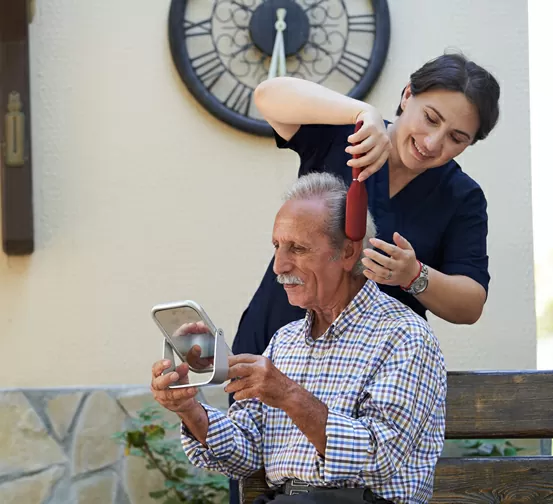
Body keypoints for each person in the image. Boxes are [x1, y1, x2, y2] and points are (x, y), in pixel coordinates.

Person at [151, 173, 447, 504]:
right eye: (277, 246)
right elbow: (246, 453)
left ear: (348, 253)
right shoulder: (286, 340)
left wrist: (289, 395)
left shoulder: (405, 336)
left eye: (298, 248)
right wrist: (191, 410)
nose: (279, 266)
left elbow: (380, 459)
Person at [232, 53, 501, 367]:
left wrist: (414, 275)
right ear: (407, 95)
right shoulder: (346, 135)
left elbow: (470, 304)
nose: (432, 142)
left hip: (366, 376)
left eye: (456, 138)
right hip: (272, 346)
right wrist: (362, 111)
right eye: (430, 118)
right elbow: (268, 95)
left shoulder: (461, 197)